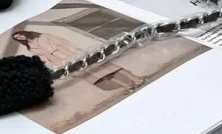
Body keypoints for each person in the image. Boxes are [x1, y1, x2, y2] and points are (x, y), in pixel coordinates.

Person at [11, 29, 145, 92]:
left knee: (105, 66)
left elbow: (64, 42)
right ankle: (127, 85)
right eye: (17, 38)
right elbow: (44, 57)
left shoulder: (43, 36)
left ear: (24, 33)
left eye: (20, 34)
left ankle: (136, 78)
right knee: (97, 74)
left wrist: (76, 52)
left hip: (70, 54)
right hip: (61, 61)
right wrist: (53, 64)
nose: (20, 37)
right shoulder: (30, 47)